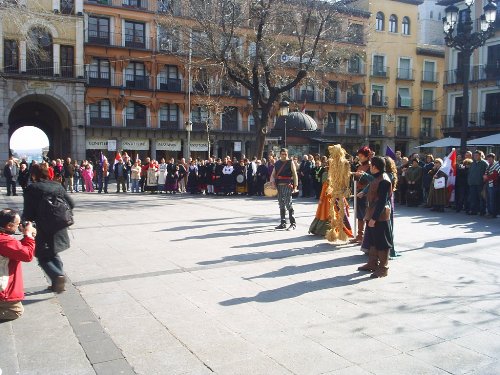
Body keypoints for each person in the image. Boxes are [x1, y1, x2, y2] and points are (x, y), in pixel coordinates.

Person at [22, 164, 75, 293]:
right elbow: (72, 203)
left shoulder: (31, 189)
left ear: (33, 175)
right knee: (53, 251)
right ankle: (58, 280)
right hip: (60, 224)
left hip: (43, 226)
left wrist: (25, 222)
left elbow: (28, 212)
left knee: (42, 255)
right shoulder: (57, 186)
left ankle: (57, 276)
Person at [357, 156, 393, 278]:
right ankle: (372, 263)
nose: (370, 167)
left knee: (382, 241)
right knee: (373, 240)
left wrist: (374, 218)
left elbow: (382, 201)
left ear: (374, 167)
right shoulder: (378, 177)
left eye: (371, 165)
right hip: (372, 211)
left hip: (380, 215)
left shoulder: (384, 180)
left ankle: (383, 268)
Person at [0, 209, 36, 321]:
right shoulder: (4, 241)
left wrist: (27, 237)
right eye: (17, 224)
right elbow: (27, 255)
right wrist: (29, 236)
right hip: (2, 289)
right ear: (9, 226)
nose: (19, 226)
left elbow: (15, 248)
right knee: (15, 311)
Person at [271, 148, 299, 230]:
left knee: (288, 203)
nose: (284, 155)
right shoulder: (277, 163)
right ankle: (283, 223)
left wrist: (296, 186)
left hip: (287, 185)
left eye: (285, 154)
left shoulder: (290, 162)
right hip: (279, 186)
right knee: (281, 204)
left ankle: (293, 224)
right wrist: (272, 182)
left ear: (287, 154)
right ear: (280, 154)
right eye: (282, 154)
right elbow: (273, 174)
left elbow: (294, 174)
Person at [351, 146, 371, 243]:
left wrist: (359, 176)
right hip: (357, 192)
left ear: (367, 156)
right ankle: (359, 235)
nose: (360, 157)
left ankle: (365, 237)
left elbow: (368, 180)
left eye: (362, 156)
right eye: (359, 156)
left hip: (365, 193)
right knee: (358, 214)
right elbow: (355, 179)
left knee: (365, 215)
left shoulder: (370, 167)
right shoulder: (359, 166)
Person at [467, 150, 488, 216]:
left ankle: (482, 211)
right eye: (474, 155)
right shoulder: (473, 163)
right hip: (472, 183)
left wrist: (484, 181)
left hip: (480, 184)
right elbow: (470, 172)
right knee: (473, 198)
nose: (475, 157)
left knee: (481, 198)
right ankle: (474, 211)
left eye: (477, 155)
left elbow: (487, 172)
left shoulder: (484, 163)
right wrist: (469, 180)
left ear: (480, 155)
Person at [484, 153, 499, 218]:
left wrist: (487, 177)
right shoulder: (488, 166)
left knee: (492, 200)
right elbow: (486, 173)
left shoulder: (497, 165)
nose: (488, 160)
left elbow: (496, 176)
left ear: (493, 158)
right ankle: (489, 212)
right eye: (488, 159)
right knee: (488, 199)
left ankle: (493, 213)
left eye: (490, 159)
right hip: (488, 184)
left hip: (494, 185)